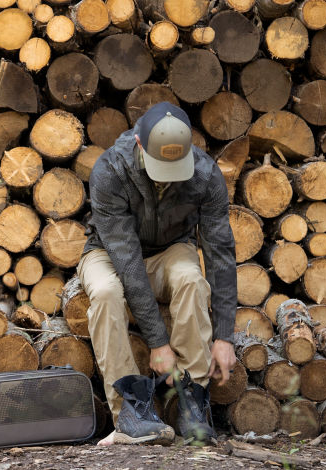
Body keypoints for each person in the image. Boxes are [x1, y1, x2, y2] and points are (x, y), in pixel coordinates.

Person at [77, 101, 237, 445]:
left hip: (169, 250)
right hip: (108, 254)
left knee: (192, 280)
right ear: (138, 143)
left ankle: (192, 400)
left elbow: (220, 253)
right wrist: (158, 342)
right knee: (105, 293)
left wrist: (224, 335)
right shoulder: (109, 170)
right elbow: (128, 260)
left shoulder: (205, 174)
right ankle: (130, 410)